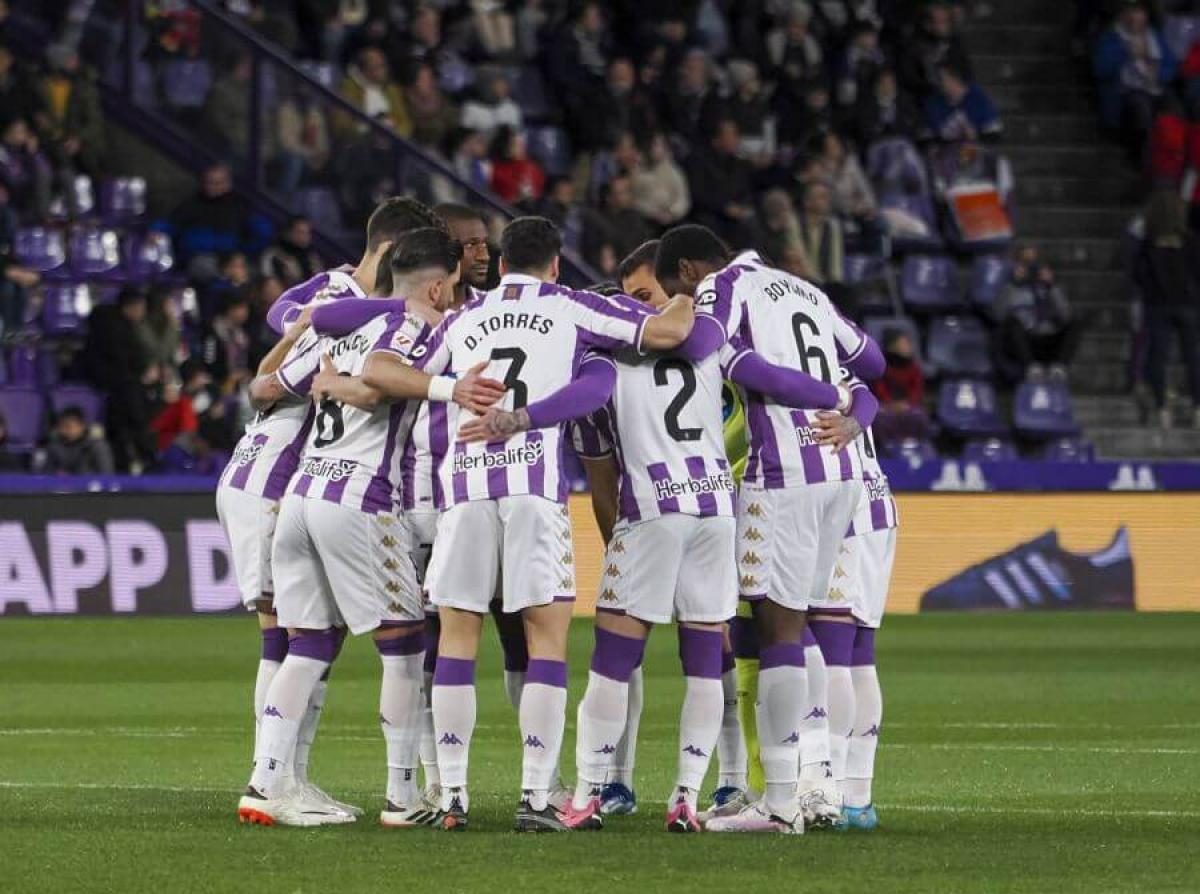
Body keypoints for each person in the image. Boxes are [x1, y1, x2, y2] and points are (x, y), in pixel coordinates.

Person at [362, 216, 695, 831]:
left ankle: (452, 798)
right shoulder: (572, 307)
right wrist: (693, 286)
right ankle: (536, 797)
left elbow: (379, 369)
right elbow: (672, 330)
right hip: (534, 494)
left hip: (462, 495)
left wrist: (447, 389)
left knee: (457, 640)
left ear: (500, 259)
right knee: (546, 644)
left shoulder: (463, 317)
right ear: (556, 264)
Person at [236, 232, 504, 829]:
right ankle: (403, 798)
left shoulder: (345, 327)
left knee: (306, 645)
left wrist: (332, 383)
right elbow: (383, 372)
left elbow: (266, 382)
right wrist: (448, 387)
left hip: (301, 497)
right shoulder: (417, 327)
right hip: (358, 499)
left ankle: (265, 783)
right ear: (436, 285)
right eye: (454, 287)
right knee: (405, 649)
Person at [652, 223, 883, 833]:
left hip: (784, 475)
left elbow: (715, 350)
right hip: (842, 474)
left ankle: (780, 802)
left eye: (675, 287)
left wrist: (819, 392)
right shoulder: (803, 289)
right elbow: (873, 361)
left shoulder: (721, 287)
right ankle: (820, 785)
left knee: (779, 634)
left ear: (688, 270)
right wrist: (846, 405)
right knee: (809, 630)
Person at [1132, 188, 1200, 428]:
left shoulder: (1148, 242)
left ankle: (1162, 408)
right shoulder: (1190, 240)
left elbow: (1137, 273)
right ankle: (1197, 408)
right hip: (1187, 305)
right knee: (1192, 356)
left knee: (1159, 357)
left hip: (1158, 305)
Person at [83, 288, 156, 472]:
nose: (143, 313)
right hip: (109, 380)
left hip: (120, 382)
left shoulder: (126, 326)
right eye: (141, 308)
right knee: (132, 402)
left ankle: (135, 457)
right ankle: (147, 455)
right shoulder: (113, 328)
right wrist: (141, 373)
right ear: (130, 307)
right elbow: (122, 360)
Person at [1093, 2, 1176, 156]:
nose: (1134, 18)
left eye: (1139, 13)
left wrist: (1157, 73)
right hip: (1127, 91)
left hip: (1155, 87)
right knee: (1141, 110)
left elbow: (1170, 65)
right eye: (1130, 12)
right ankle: (1142, 157)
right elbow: (1101, 69)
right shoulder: (1112, 38)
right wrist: (1126, 52)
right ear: (1122, 15)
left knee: (1174, 110)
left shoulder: (1154, 36)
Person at [997, 245, 1081, 381]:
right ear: (1018, 264)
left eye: (1034, 262)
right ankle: (1032, 368)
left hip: (1048, 338)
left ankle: (1059, 369)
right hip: (1025, 342)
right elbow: (998, 314)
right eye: (1026, 262)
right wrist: (1014, 283)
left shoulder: (1050, 289)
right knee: (1012, 322)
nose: (1031, 267)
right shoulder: (1011, 289)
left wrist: (1052, 286)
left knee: (1075, 321)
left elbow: (1066, 314)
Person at [340, 46, 412, 137]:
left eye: (383, 65)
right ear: (365, 71)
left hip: (392, 141)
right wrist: (370, 132)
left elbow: (406, 123)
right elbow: (342, 125)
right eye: (377, 67)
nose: (383, 71)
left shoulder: (391, 90)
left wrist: (395, 134)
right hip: (363, 141)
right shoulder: (349, 88)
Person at [924, 62, 1002, 143]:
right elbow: (928, 139)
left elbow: (995, 135)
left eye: (943, 79)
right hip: (946, 152)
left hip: (975, 150)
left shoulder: (979, 97)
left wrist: (975, 135)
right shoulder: (933, 102)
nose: (939, 83)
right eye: (938, 79)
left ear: (956, 79)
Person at [631, 132, 691, 228]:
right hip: (647, 219)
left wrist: (671, 213)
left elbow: (683, 199)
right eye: (653, 145)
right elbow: (635, 199)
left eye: (658, 145)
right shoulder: (639, 171)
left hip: (671, 219)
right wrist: (653, 213)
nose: (655, 149)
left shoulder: (674, 172)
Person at [37, 406, 114, 475]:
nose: (63, 431)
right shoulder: (54, 445)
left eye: (68, 426)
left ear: (82, 426)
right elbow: (47, 473)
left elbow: (106, 475)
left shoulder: (98, 446)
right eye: (60, 427)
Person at [260, 216, 323, 289]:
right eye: (300, 232)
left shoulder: (312, 258)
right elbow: (269, 284)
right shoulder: (273, 255)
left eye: (307, 233)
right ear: (289, 232)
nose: (304, 237)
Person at [488, 125, 545, 204]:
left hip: (528, 209)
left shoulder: (531, 167)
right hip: (503, 209)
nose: (521, 147)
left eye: (520, 144)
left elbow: (533, 195)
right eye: (514, 145)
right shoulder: (495, 168)